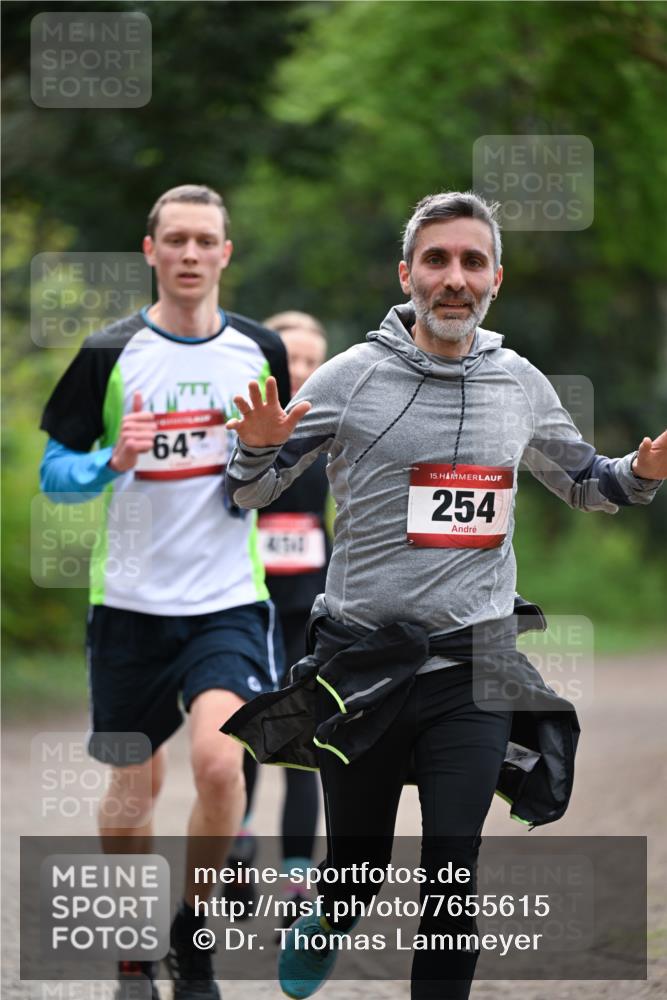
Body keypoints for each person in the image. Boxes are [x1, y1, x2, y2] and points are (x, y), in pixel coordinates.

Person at [222, 191, 666, 1000]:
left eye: (470, 261)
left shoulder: (519, 384)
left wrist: (638, 473)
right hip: (361, 667)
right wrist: (254, 453)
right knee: (358, 869)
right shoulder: (350, 378)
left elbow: (584, 483)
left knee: (452, 871)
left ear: (496, 276)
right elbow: (254, 492)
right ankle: (331, 907)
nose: (453, 277)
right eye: (436, 260)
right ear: (407, 275)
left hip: (473, 658)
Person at [39, 184, 290, 1000]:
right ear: (150, 252)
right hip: (129, 608)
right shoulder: (109, 352)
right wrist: (109, 463)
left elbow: (272, 477)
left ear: (225, 254)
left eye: (204, 240)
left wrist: (265, 457)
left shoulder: (258, 352)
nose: (188, 254)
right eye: (173, 240)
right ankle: (130, 954)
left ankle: (194, 938)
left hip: (227, 600)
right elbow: (55, 476)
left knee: (222, 765)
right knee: (132, 786)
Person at [226, 312, 328, 925]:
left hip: (309, 607)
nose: (302, 368)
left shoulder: (332, 429)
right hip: (245, 603)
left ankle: (296, 884)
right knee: (239, 735)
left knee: (302, 744)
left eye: (313, 358)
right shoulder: (238, 429)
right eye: (290, 357)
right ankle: (236, 850)